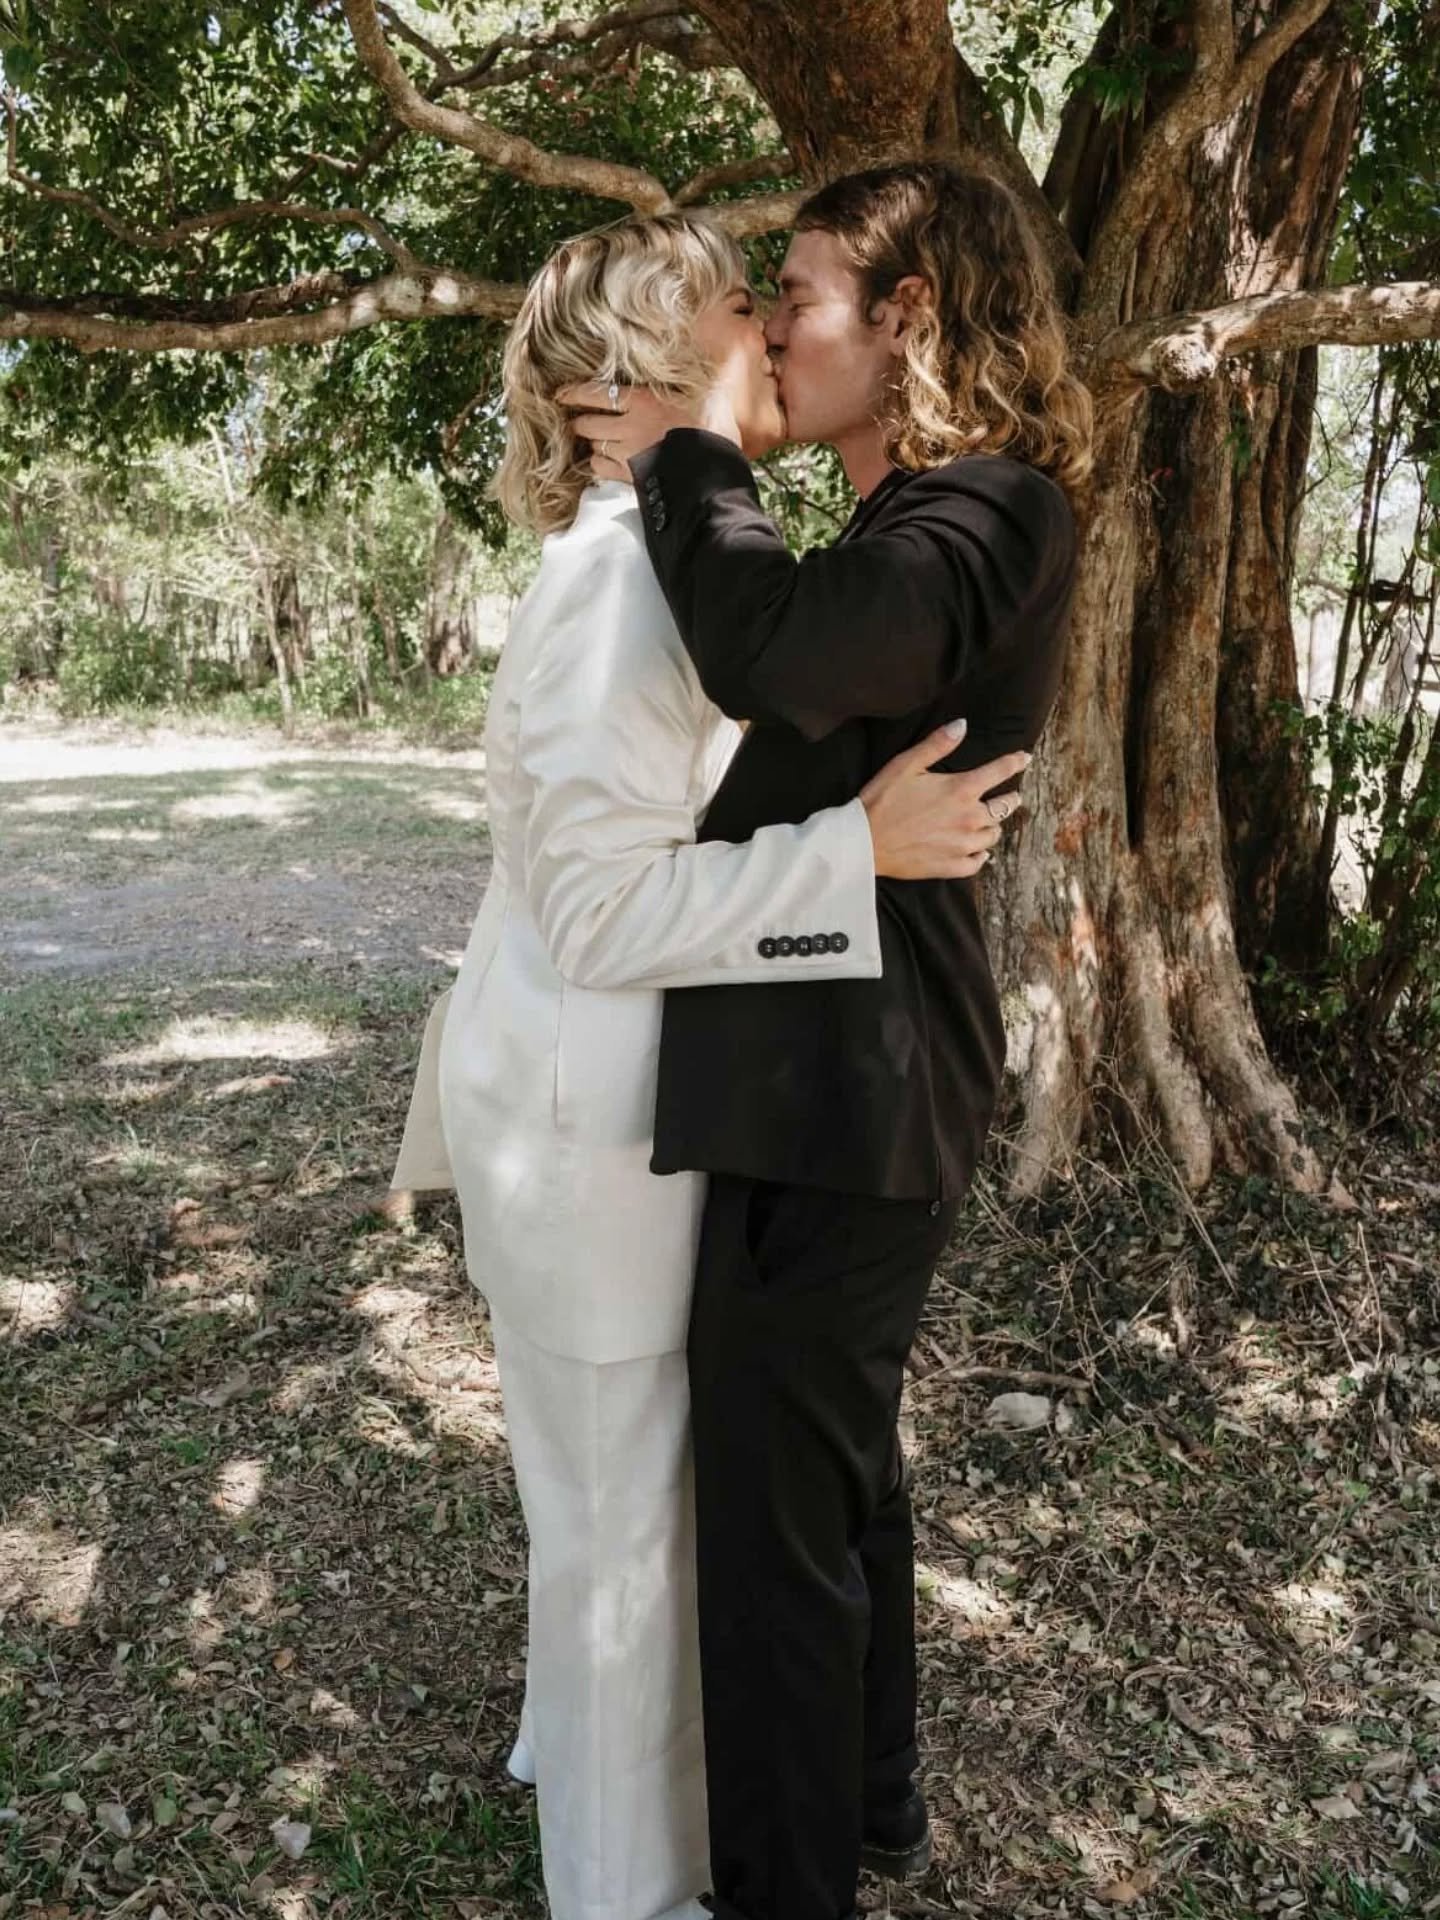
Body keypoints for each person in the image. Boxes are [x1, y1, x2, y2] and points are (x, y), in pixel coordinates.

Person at [389, 209, 1032, 1920]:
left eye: (778, 294)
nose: (769, 322)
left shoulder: (651, 561)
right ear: (659, 374)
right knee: (623, 1535)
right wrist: (854, 858)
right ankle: (625, 1887)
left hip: (591, 1095)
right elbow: (597, 911)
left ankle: (581, 1762)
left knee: (596, 1492)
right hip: (589, 1114)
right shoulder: (619, 587)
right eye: (743, 304)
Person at [562, 163, 1094, 1920]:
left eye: (798, 297)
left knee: (777, 1540)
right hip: (828, 1085)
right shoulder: (899, 526)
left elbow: (767, 653)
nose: (774, 331)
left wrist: (690, 443)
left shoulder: (992, 510)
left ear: (916, 313)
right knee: (833, 1478)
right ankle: (875, 1809)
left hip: (849, 1097)